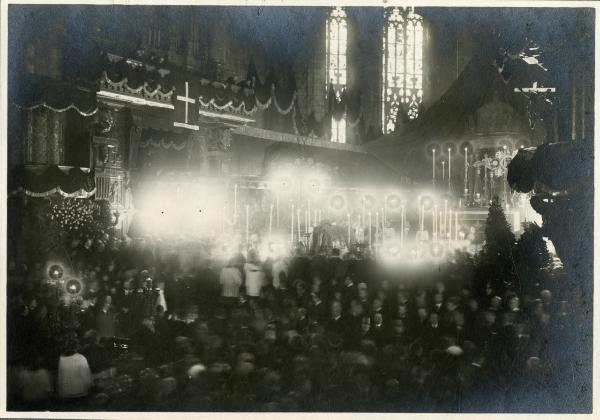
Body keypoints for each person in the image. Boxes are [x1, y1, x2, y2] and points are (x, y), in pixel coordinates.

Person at [56, 336, 93, 402]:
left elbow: (60, 376)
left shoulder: (61, 358)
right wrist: (89, 387)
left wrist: (60, 391)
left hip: (66, 393)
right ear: (77, 346)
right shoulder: (81, 358)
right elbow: (86, 376)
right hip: (80, 392)